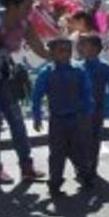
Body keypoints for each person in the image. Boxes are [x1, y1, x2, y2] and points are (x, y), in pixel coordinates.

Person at [0, 0, 50, 186]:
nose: (31, 9)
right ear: (12, 5)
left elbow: (40, 49)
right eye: (27, 5)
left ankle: (27, 167)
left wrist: (62, 56)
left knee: (16, 120)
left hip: (3, 75)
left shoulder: (25, 24)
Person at [30, 36, 96, 195]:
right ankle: (55, 183)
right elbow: (36, 96)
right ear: (52, 53)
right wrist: (37, 116)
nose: (66, 54)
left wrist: (88, 112)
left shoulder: (79, 70)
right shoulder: (46, 73)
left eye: (68, 50)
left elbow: (87, 92)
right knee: (57, 154)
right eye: (61, 51)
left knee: (79, 151)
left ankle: (86, 176)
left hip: (76, 118)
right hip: (57, 120)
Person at [76, 33, 109, 183]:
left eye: (84, 45)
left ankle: (91, 168)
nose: (81, 47)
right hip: (80, 111)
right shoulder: (76, 66)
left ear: (95, 49)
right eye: (81, 44)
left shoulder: (105, 67)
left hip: (97, 110)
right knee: (82, 140)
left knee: (95, 139)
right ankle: (83, 167)